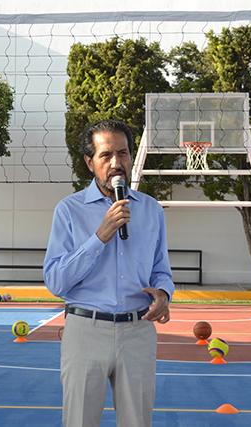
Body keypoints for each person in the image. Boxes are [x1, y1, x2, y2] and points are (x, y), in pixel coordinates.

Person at [44, 120, 175, 427]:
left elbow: (161, 270)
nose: (117, 163)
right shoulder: (69, 210)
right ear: (90, 162)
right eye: (106, 155)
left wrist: (164, 294)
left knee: (138, 422)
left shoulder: (151, 209)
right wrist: (100, 236)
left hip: (138, 330)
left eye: (123, 153)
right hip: (85, 330)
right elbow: (56, 281)